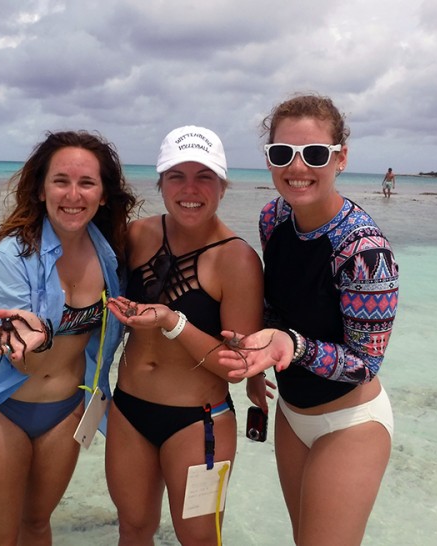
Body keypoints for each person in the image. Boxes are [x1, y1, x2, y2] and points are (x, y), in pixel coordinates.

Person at [0, 130, 137, 545]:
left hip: (67, 410)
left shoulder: (112, 254)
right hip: (2, 409)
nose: (72, 194)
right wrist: (33, 336)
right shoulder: (11, 255)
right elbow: (15, 347)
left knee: (38, 524)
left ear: (102, 194)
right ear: (42, 190)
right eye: (61, 181)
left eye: (86, 183)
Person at [217, 94, 399, 546]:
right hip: (292, 413)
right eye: (283, 154)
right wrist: (259, 359)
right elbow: (281, 303)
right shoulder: (273, 217)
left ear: (340, 157)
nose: (297, 167)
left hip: (351, 421)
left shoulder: (365, 252)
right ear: (269, 159)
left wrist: (291, 346)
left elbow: (364, 363)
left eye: (314, 154)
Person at [105, 125, 264, 545]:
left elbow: (238, 366)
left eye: (204, 176)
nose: (189, 189)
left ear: (222, 186)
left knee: (199, 539)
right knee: (134, 528)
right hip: (128, 411)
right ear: (160, 183)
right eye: (177, 176)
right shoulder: (137, 236)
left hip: (199, 422)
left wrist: (172, 322)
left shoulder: (238, 259)